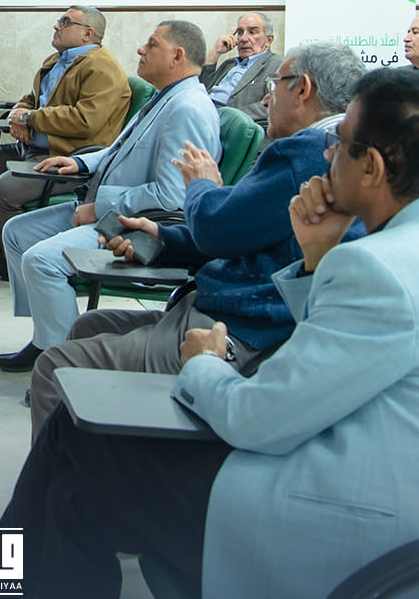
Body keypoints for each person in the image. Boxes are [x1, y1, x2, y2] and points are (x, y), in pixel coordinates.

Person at [0, 67, 419, 599]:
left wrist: (204, 362)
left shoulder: (384, 268)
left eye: (339, 143)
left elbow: (258, 420)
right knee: (77, 463)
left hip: (365, 541)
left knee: (77, 483)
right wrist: (318, 258)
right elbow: (345, 352)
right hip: (402, 498)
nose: (325, 155)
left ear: (373, 168)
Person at [26, 42, 365, 437]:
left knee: (53, 367)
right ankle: (102, 455)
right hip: (225, 303)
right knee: (88, 326)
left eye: (275, 83)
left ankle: (76, 476)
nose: (267, 97)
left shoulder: (305, 152)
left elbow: (217, 228)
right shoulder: (318, 150)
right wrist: (164, 238)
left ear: (303, 89)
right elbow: (249, 231)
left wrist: (202, 186)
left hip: (240, 325)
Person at [0, 21, 218, 373]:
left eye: (151, 44)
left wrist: (98, 209)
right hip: (110, 208)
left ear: (177, 56)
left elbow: (172, 195)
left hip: (139, 225)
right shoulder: (165, 96)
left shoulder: (187, 108)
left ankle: (62, 363)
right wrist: (80, 161)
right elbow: (120, 150)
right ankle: (46, 337)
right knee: (17, 233)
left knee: (41, 260)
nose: (141, 49)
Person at [0, 7, 130, 282]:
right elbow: (30, 99)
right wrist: (18, 115)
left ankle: (27, 266)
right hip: (32, 148)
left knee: (1, 192)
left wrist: (30, 118)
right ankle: (0, 257)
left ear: (88, 34)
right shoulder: (56, 60)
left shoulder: (102, 67)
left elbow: (86, 121)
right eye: (59, 20)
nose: (56, 26)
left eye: (65, 22)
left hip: (66, 158)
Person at [200, 11, 284, 126]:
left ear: (268, 40)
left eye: (252, 32)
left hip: (228, 124)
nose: (243, 39)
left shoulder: (277, 64)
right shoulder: (229, 64)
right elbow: (200, 89)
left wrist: (226, 116)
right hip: (202, 113)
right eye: (240, 32)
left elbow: (275, 104)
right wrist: (215, 53)